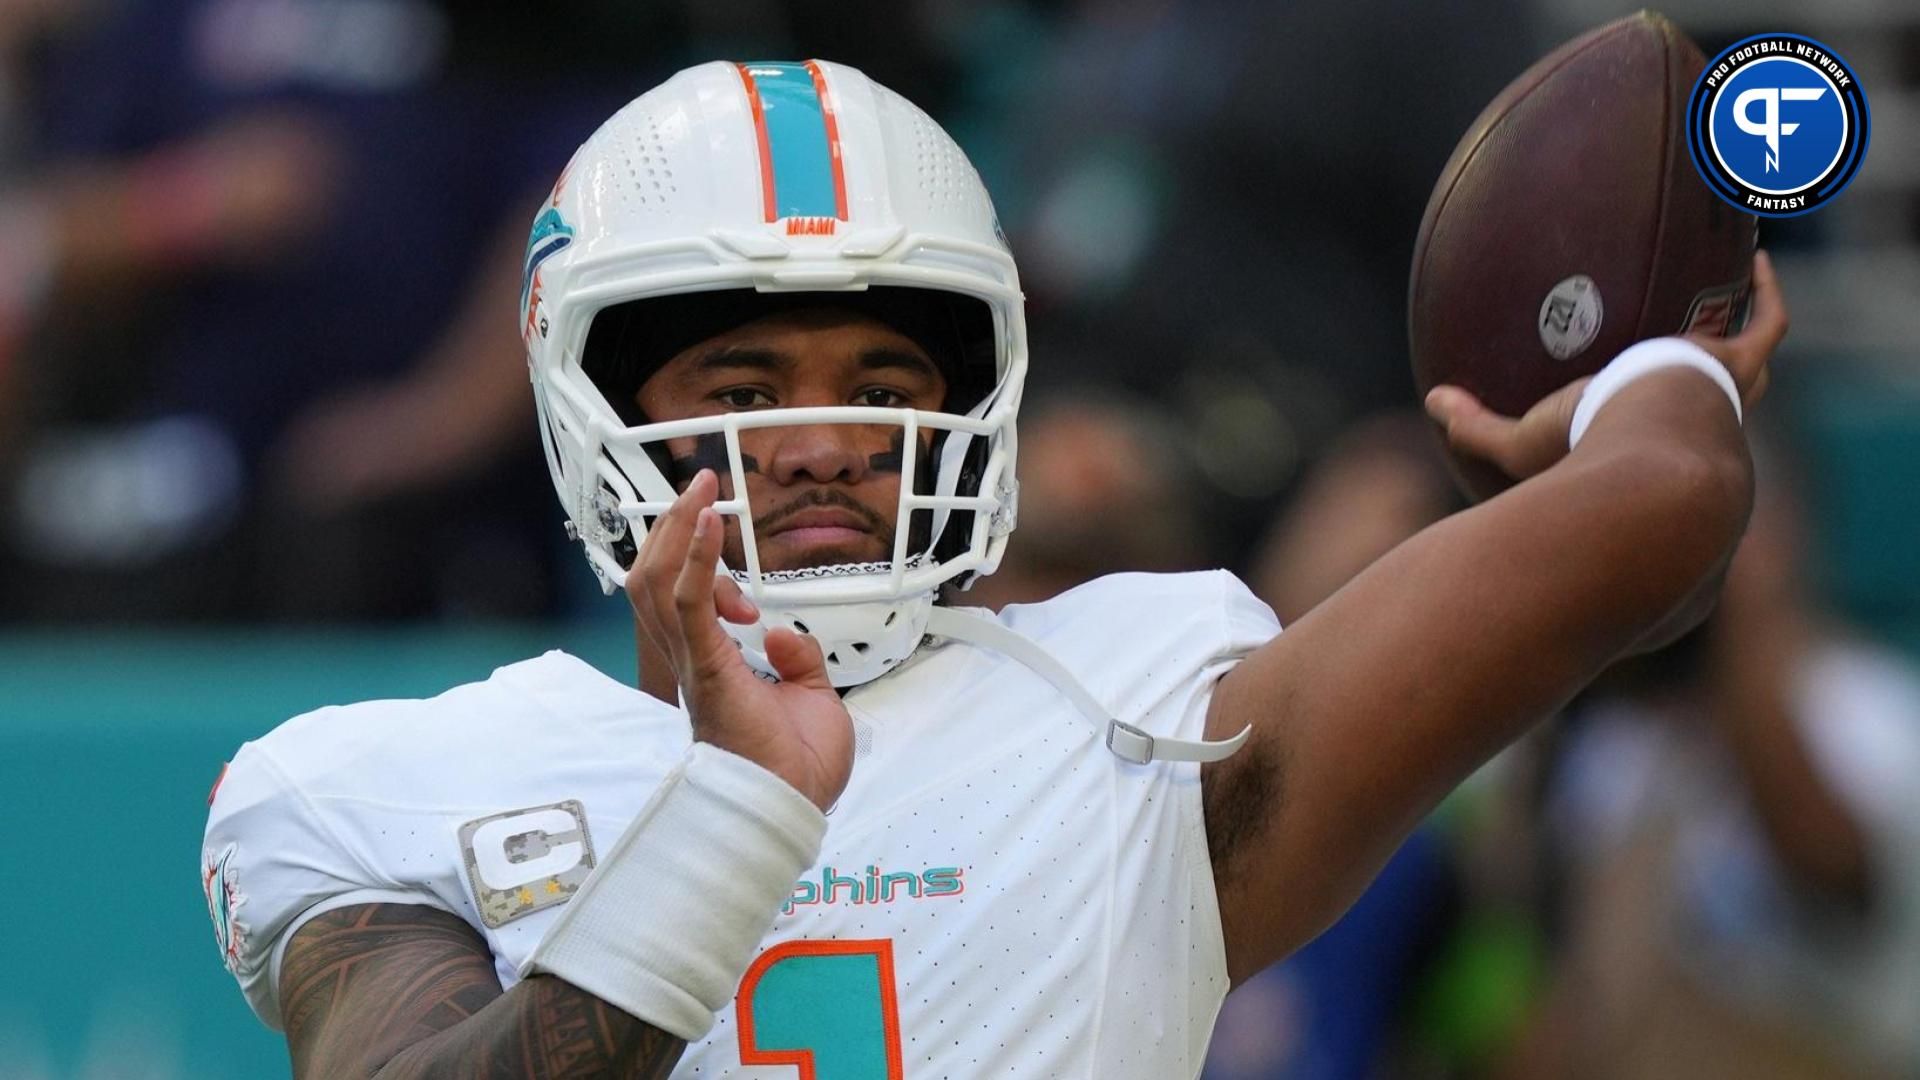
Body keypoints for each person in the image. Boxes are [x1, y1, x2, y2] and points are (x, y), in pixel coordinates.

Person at [201, 60, 1787, 1077]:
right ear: (594, 416)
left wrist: (1639, 375)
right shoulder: (386, 784)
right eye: (746, 393)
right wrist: (745, 813)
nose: (825, 444)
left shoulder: (1143, 711)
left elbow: (1650, 519)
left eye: (885, 390)